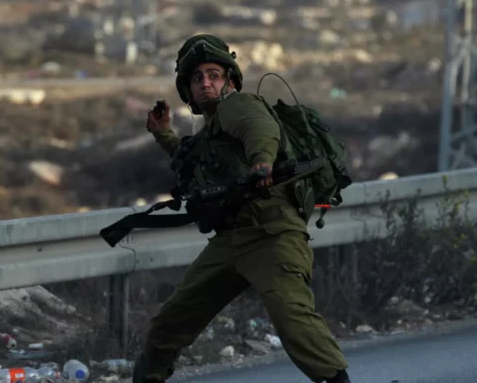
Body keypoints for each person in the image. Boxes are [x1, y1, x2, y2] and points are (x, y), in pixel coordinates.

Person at [134, 34, 351, 383]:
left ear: (230, 81)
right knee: (171, 322)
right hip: (231, 239)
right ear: (188, 89)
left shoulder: (238, 105)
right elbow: (192, 164)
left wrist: (262, 162)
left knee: (292, 318)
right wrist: (163, 134)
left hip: (273, 232)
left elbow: (259, 128)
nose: (205, 83)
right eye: (197, 78)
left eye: (213, 75)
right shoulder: (210, 134)